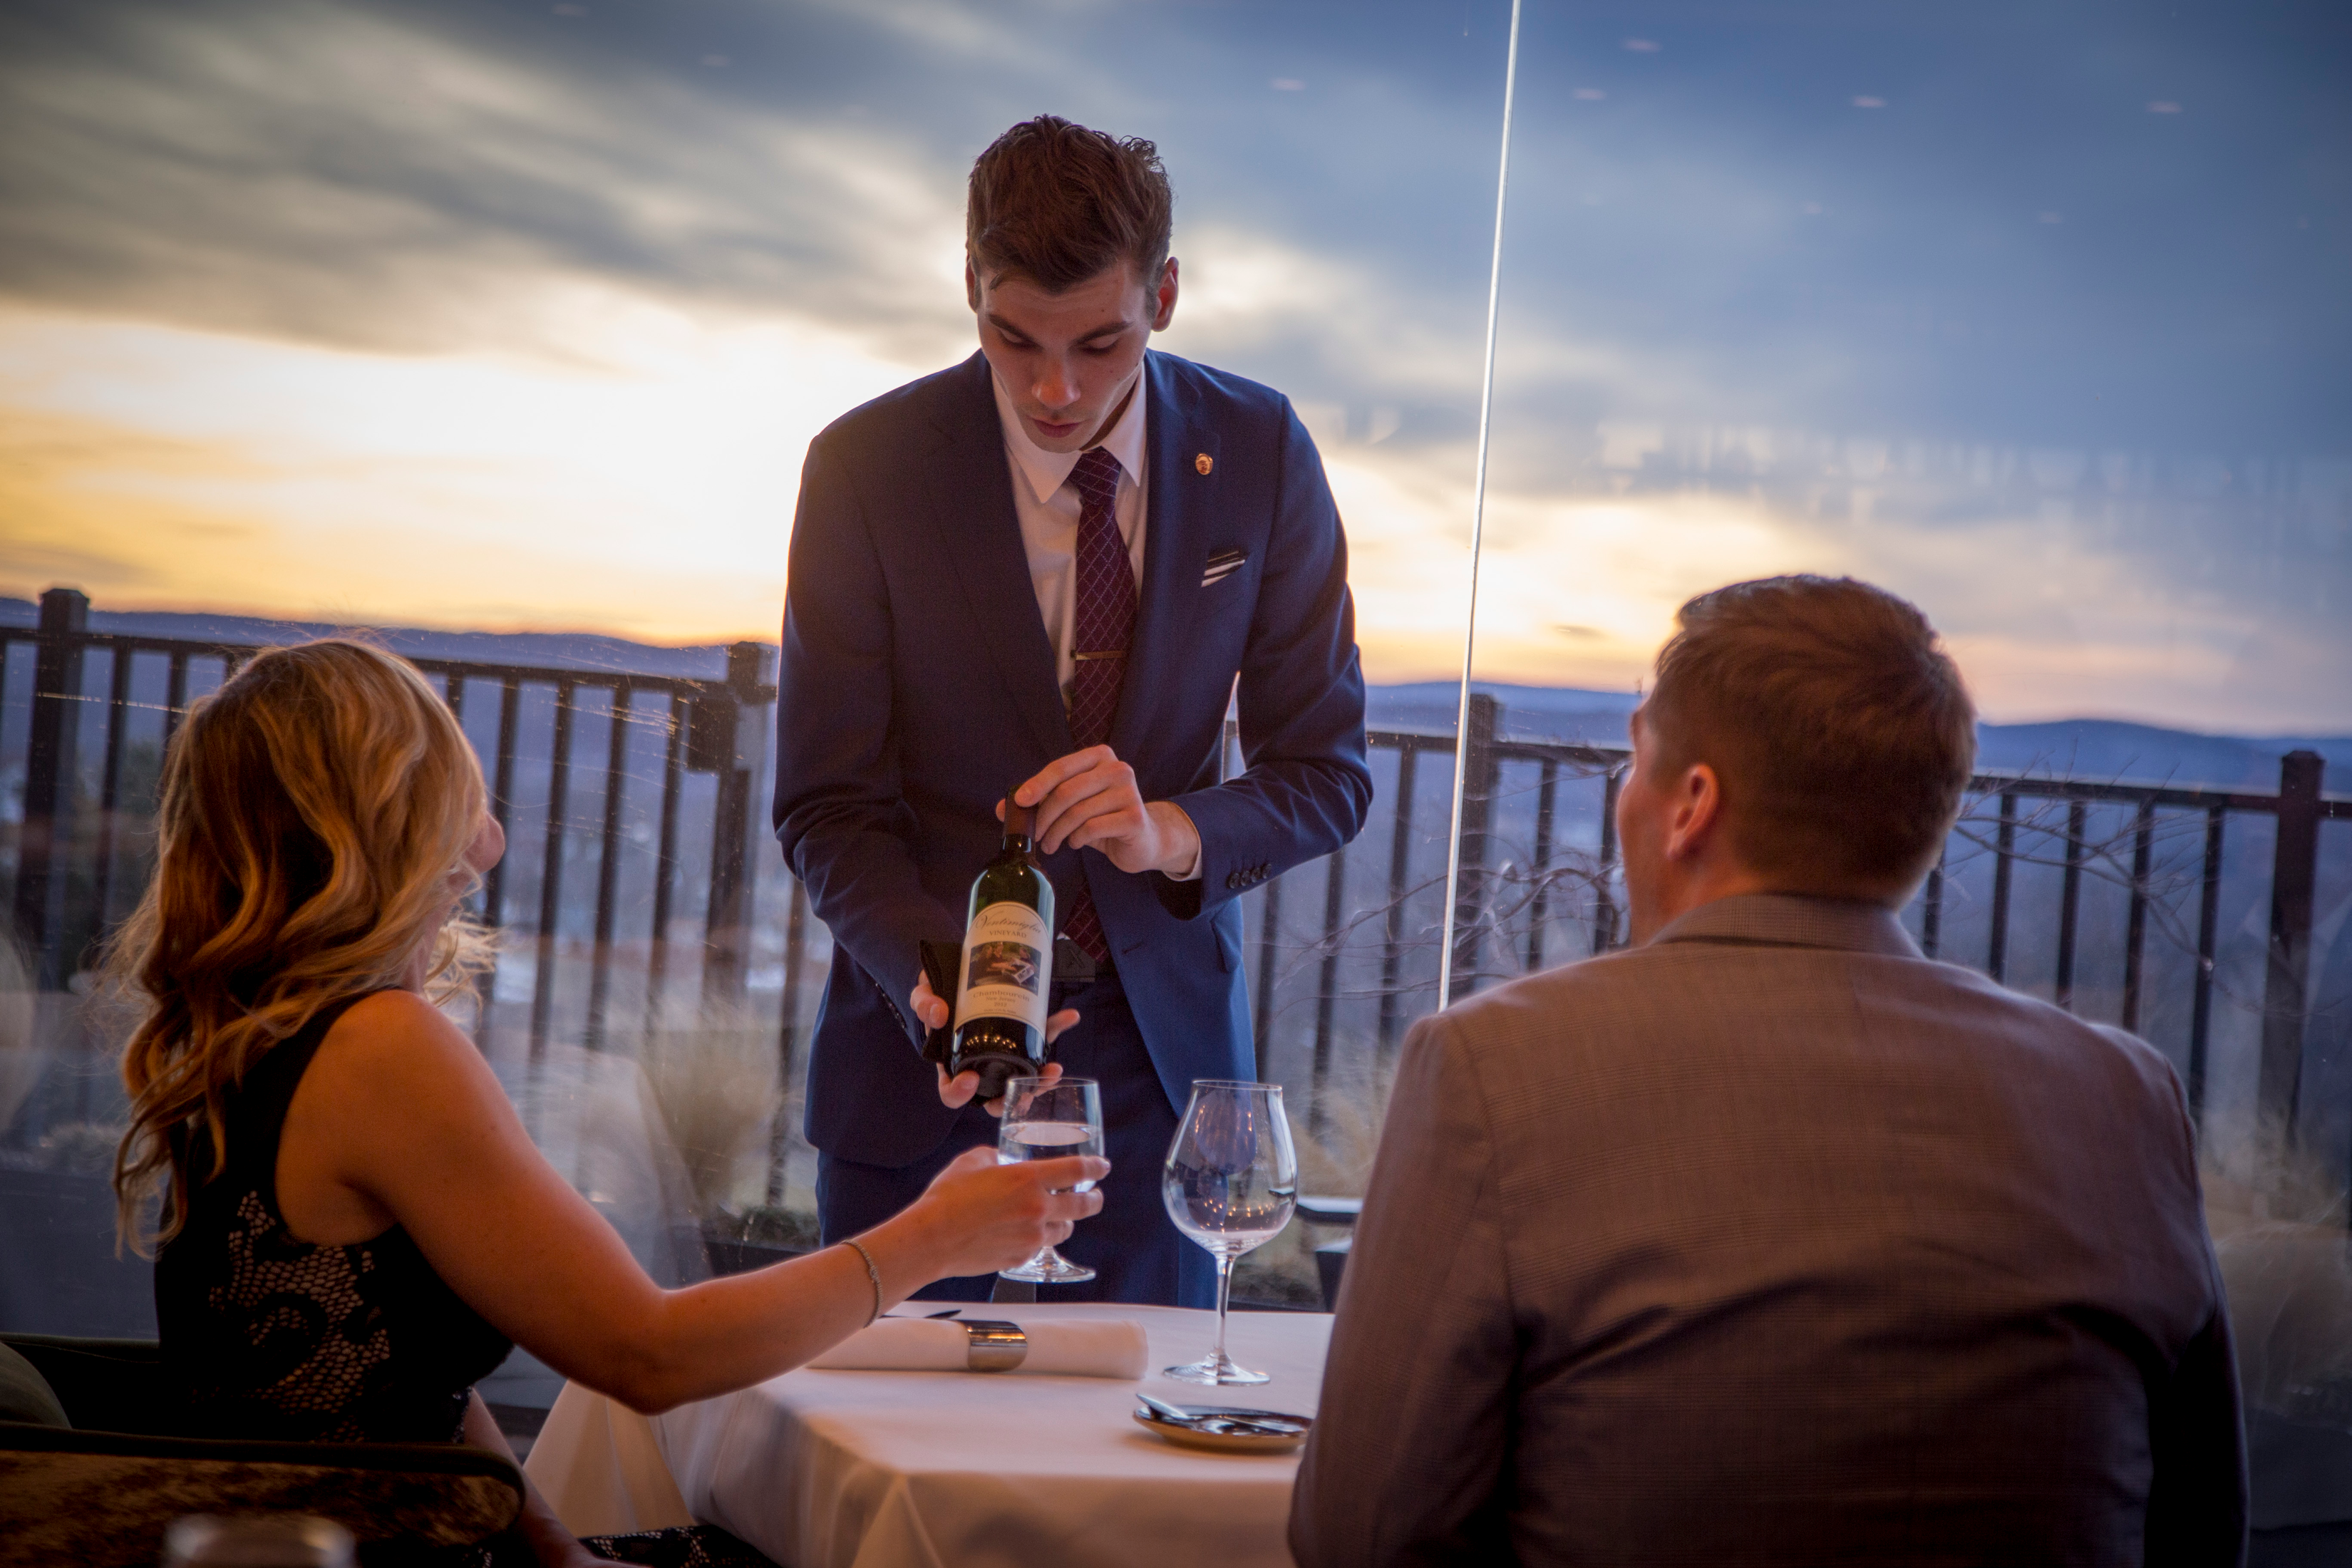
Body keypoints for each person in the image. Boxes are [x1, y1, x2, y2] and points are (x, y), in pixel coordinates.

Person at [1291, 576, 2247, 1566]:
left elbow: (1364, 1537)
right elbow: (2204, 1531)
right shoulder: (2126, 1096)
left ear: (1692, 805)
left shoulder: (1496, 1069)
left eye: (1635, 764)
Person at [110, 640, 1105, 1568]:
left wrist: (555, 1548)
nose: (481, 809)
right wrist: (931, 1239)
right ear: (386, 811)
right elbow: (647, 1353)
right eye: (446, 766)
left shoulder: (263, 1028)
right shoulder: (378, 1048)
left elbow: (407, 1375)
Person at [773, 115, 1371, 1306]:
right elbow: (828, 802)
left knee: (1139, 1465)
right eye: (1014, 340)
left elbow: (1328, 773)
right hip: (925, 1076)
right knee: (907, 1455)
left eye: (1100, 344)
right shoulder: (865, 468)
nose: (1055, 389)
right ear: (968, 290)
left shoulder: (1258, 450)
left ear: (1167, 294)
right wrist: (927, 981)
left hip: (1163, 1093)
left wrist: (1169, 831)